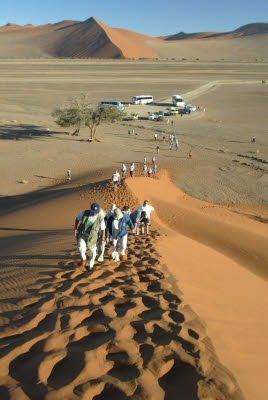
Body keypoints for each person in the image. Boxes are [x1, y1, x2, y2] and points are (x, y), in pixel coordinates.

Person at [74, 202, 106, 270]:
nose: (94, 213)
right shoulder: (85, 213)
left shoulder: (100, 218)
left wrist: (102, 240)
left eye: (96, 212)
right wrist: (75, 228)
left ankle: (90, 266)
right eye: (93, 212)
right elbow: (77, 219)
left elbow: (103, 229)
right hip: (82, 235)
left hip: (93, 238)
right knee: (80, 248)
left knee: (93, 253)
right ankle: (83, 259)